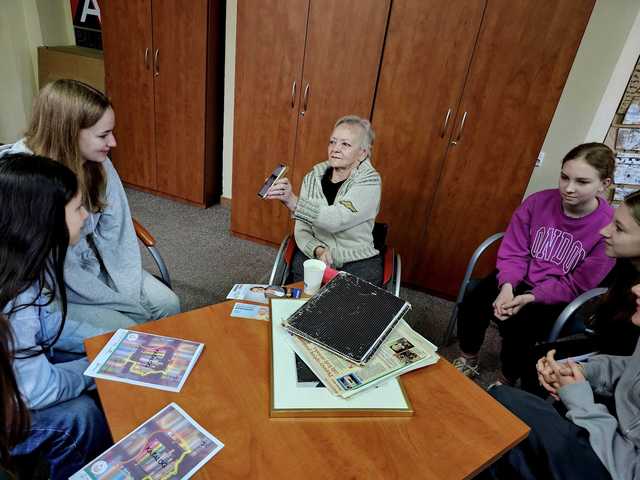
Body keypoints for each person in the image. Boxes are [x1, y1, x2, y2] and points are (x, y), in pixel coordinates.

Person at [0, 79, 180, 352]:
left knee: (167, 304)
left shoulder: (98, 160)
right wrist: (122, 304)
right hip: (52, 285)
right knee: (127, 328)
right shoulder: (28, 179)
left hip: (95, 265)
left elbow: (115, 230)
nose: (113, 142)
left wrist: (126, 291)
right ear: (69, 133)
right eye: (103, 135)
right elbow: (41, 266)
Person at [453, 143, 616, 385]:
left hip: (556, 294)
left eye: (582, 182)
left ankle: (505, 378)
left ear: (604, 184)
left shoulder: (609, 227)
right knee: (475, 299)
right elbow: (514, 250)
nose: (569, 188)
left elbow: (577, 284)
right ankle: (468, 358)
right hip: (518, 277)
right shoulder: (537, 202)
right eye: (564, 177)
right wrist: (507, 285)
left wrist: (530, 297)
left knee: (520, 327)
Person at [0, 154, 111, 479]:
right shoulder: (14, 297)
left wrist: (109, 343)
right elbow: (37, 391)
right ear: (44, 219)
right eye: (77, 208)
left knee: (84, 365)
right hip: (10, 408)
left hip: (17, 382)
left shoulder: (23, 261)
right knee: (81, 417)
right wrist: (98, 367)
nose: (86, 214)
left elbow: (47, 326)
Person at [481, 281, 640, 480]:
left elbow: (630, 470)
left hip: (614, 461)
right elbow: (630, 367)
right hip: (612, 427)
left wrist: (579, 401)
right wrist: (585, 371)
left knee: (502, 410)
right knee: (503, 405)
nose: (635, 289)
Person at [265, 115, 383, 285]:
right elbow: (302, 229)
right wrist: (317, 249)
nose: (335, 149)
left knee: (352, 307)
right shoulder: (312, 178)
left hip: (357, 261)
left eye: (345, 144)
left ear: (362, 153)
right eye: (332, 142)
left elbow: (335, 220)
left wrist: (293, 202)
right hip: (316, 255)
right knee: (299, 300)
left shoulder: (369, 181)